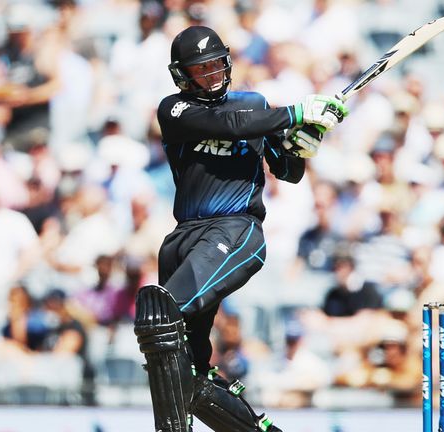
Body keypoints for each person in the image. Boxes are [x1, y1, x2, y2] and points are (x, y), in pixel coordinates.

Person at [132, 26, 348, 432]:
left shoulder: (254, 106)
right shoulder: (174, 110)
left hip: (235, 229)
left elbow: (288, 171)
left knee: (160, 318)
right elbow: (229, 125)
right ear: (183, 76)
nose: (211, 75)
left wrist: (297, 145)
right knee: (187, 372)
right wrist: (296, 113)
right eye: (201, 70)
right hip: (183, 238)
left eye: (216, 66)